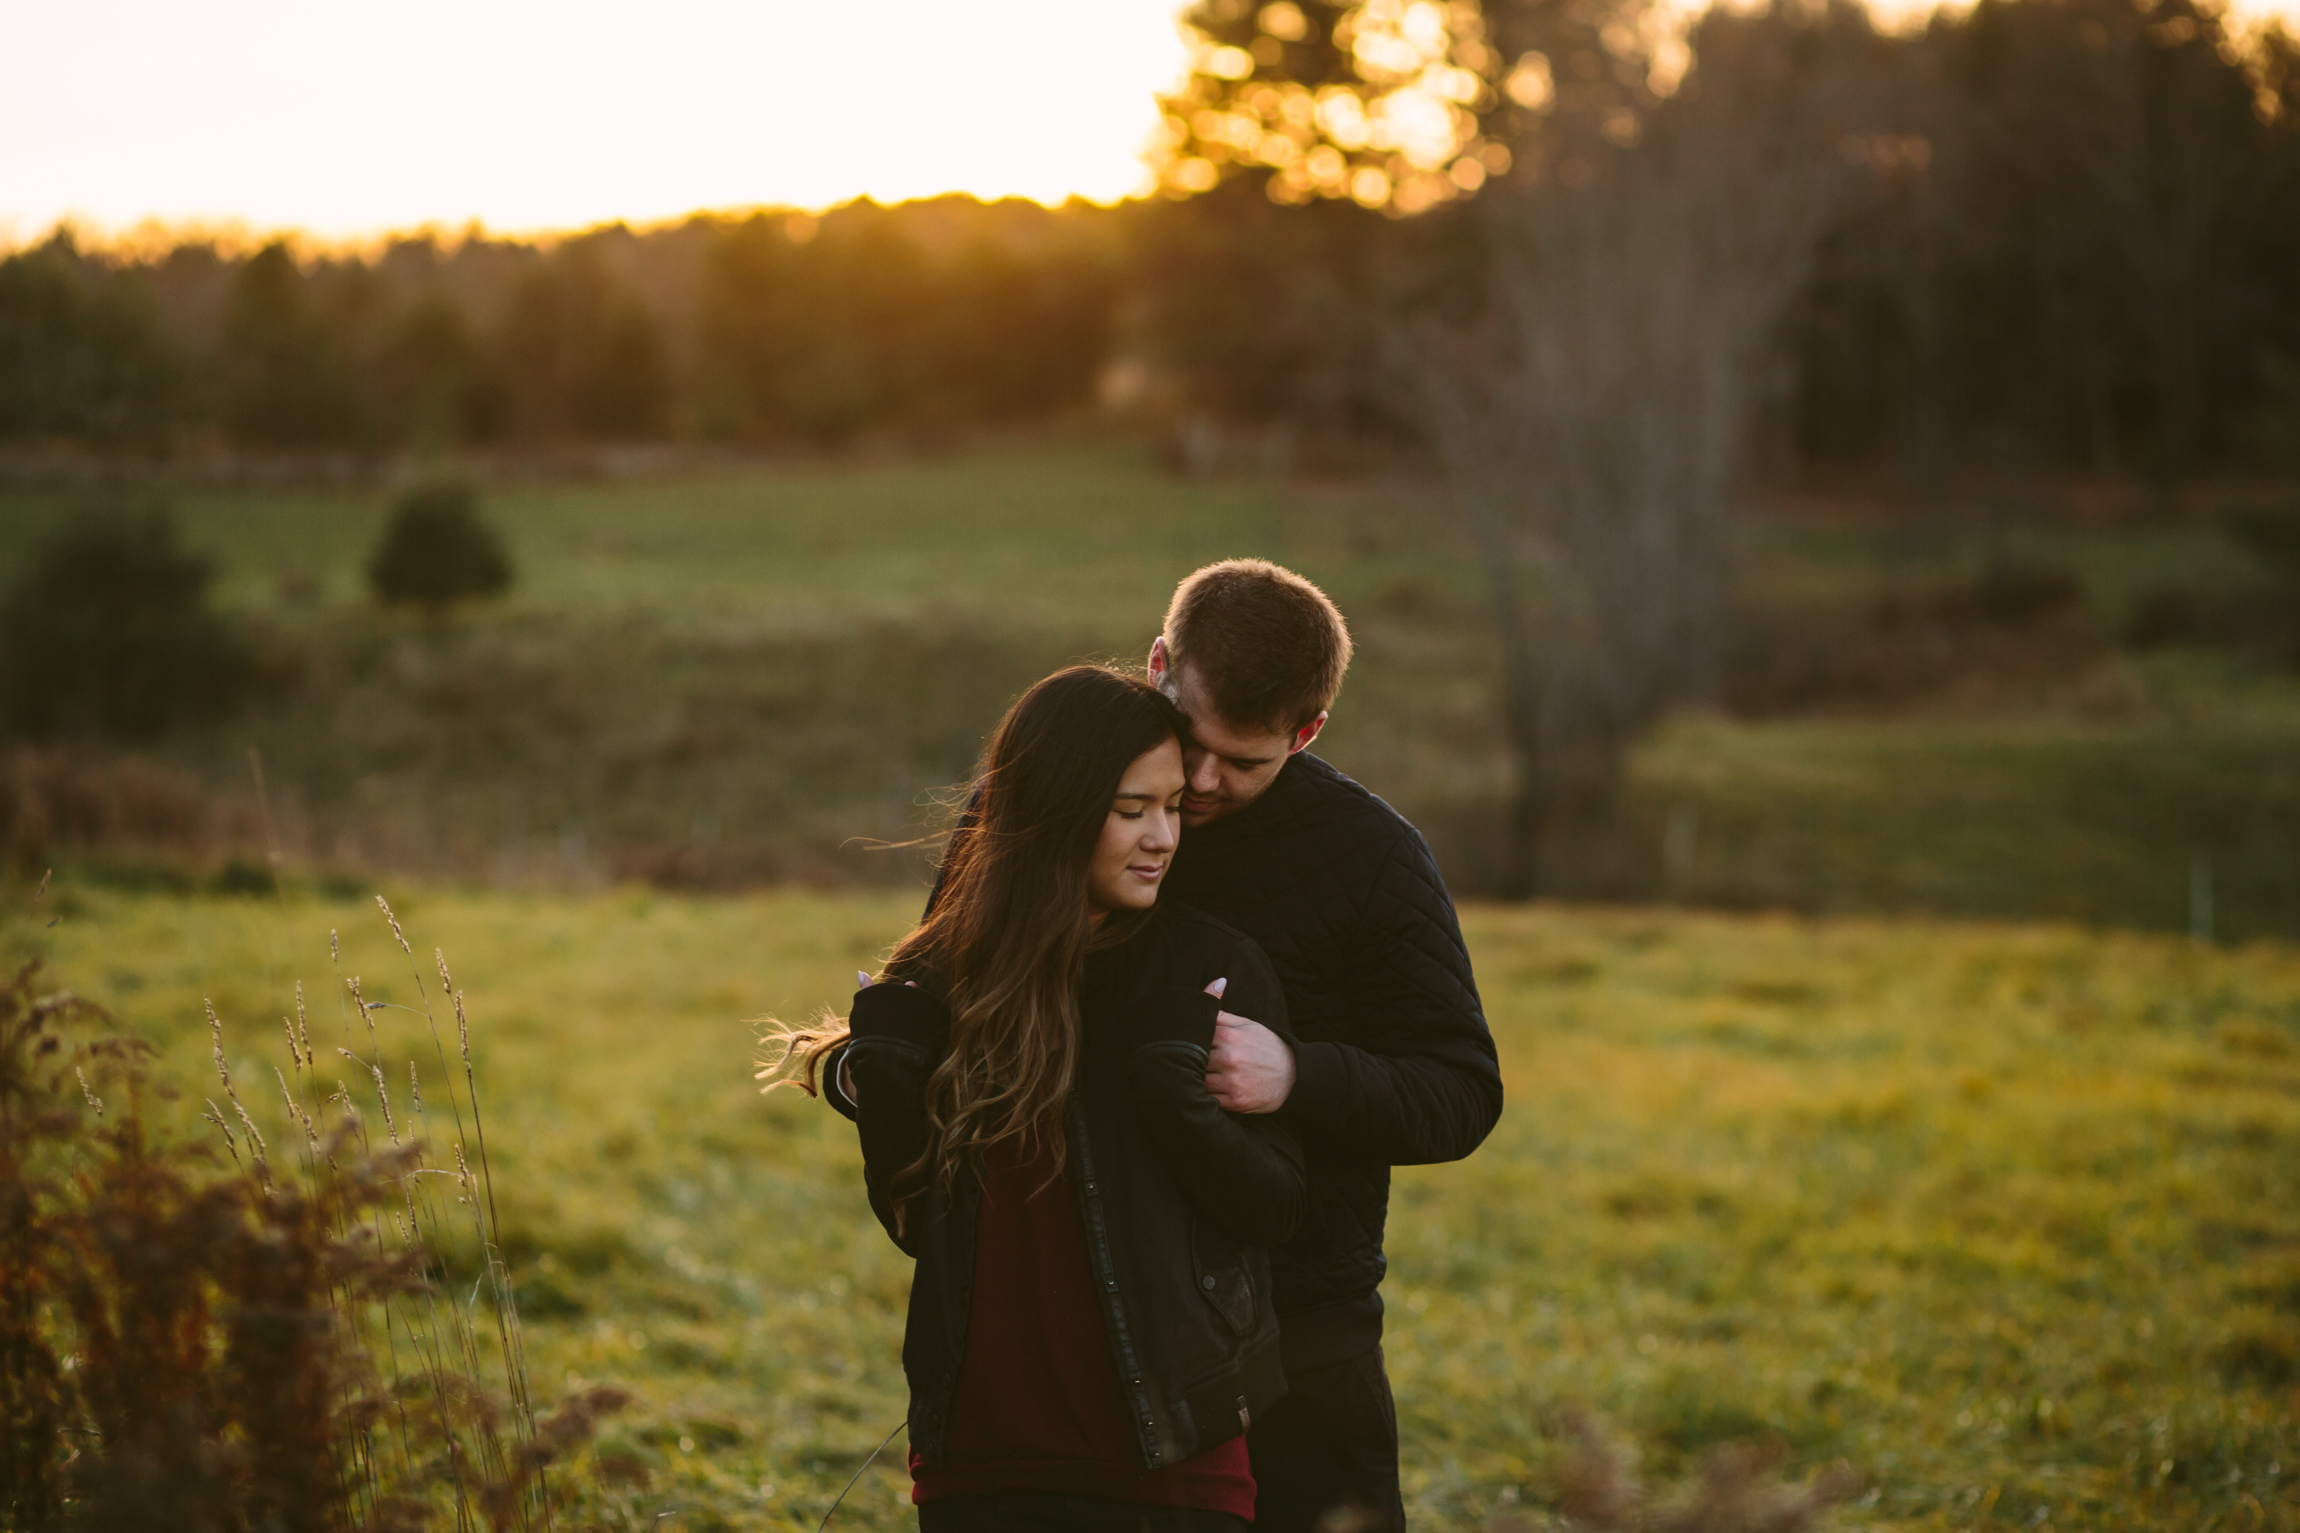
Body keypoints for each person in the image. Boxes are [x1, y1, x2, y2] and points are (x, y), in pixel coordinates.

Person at [833, 560, 1503, 1531]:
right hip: (1077, 1347)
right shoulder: (1040, 805)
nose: (1201, 783)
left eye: (1244, 762)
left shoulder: (1370, 857)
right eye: (1191, 740)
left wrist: (1298, 1074)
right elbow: (957, 1002)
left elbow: (1460, 1091)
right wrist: (877, 1067)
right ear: (1158, 666)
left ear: (1307, 732)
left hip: (1302, 1340)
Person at [766, 665, 1308, 1532]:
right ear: (1055, 811)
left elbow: (1277, 1205)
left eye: (1173, 807)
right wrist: (885, 1088)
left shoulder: (1207, 969)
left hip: (1173, 1459)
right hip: (982, 1463)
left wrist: (1177, 1103)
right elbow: (916, 1225)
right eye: (1132, 810)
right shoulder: (943, 973)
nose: (1163, 837)